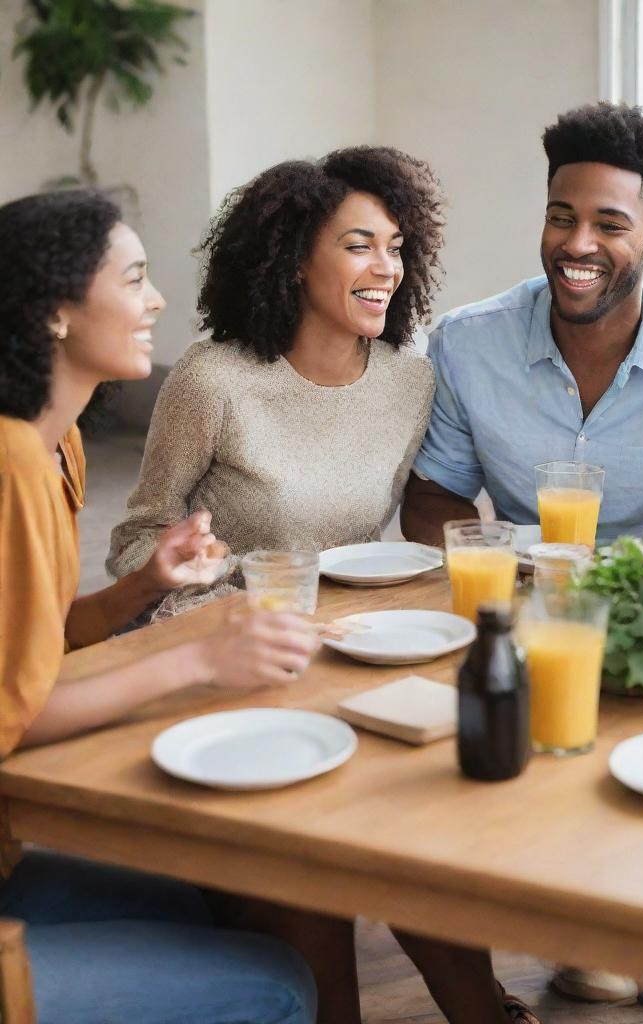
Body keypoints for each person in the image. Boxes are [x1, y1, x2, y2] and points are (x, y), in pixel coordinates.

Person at [0, 189, 322, 1024]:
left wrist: (146, 588)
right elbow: (9, 712)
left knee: (212, 904)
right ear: (57, 310)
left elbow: (24, 650)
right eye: (135, 278)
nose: (157, 300)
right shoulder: (12, 463)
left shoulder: (53, 442)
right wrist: (197, 659)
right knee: (278, 985)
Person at [107, 146, 443, 613]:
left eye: (395, 247)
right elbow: (140, 539)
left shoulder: (410, 380)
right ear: (296, 260)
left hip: (355, 629)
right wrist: (239, 610)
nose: (387, 268)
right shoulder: (213, 379)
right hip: (229, 630)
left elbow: (367, 543)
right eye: (359, 246)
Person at [401, 102, 643, 549]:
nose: (578, 244)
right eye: (561, 219)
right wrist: (504, 561)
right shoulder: (465, 346)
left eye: (609, 226)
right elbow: (433, 497)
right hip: (524, 593)